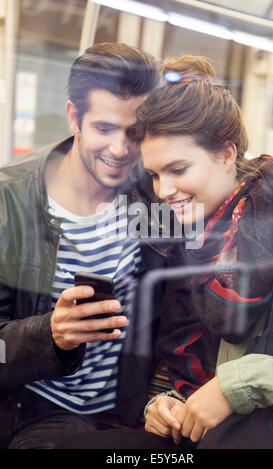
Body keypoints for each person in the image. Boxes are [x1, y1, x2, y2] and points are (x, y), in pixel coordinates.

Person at [55, 55, 273, 449]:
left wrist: (235, 388)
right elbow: (187, 352)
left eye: (179, 170)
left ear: (226, 154)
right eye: (154, 174)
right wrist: (163, 402)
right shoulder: (194, 234)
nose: (164, 190)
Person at [0, 42, 167, 449]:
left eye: (135, 133)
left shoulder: (157, 192)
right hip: (36, 411)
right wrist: (49, 334)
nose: (120, 150)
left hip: (129, 407)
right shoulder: (9, 204)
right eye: (104, 128)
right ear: (74, 116)